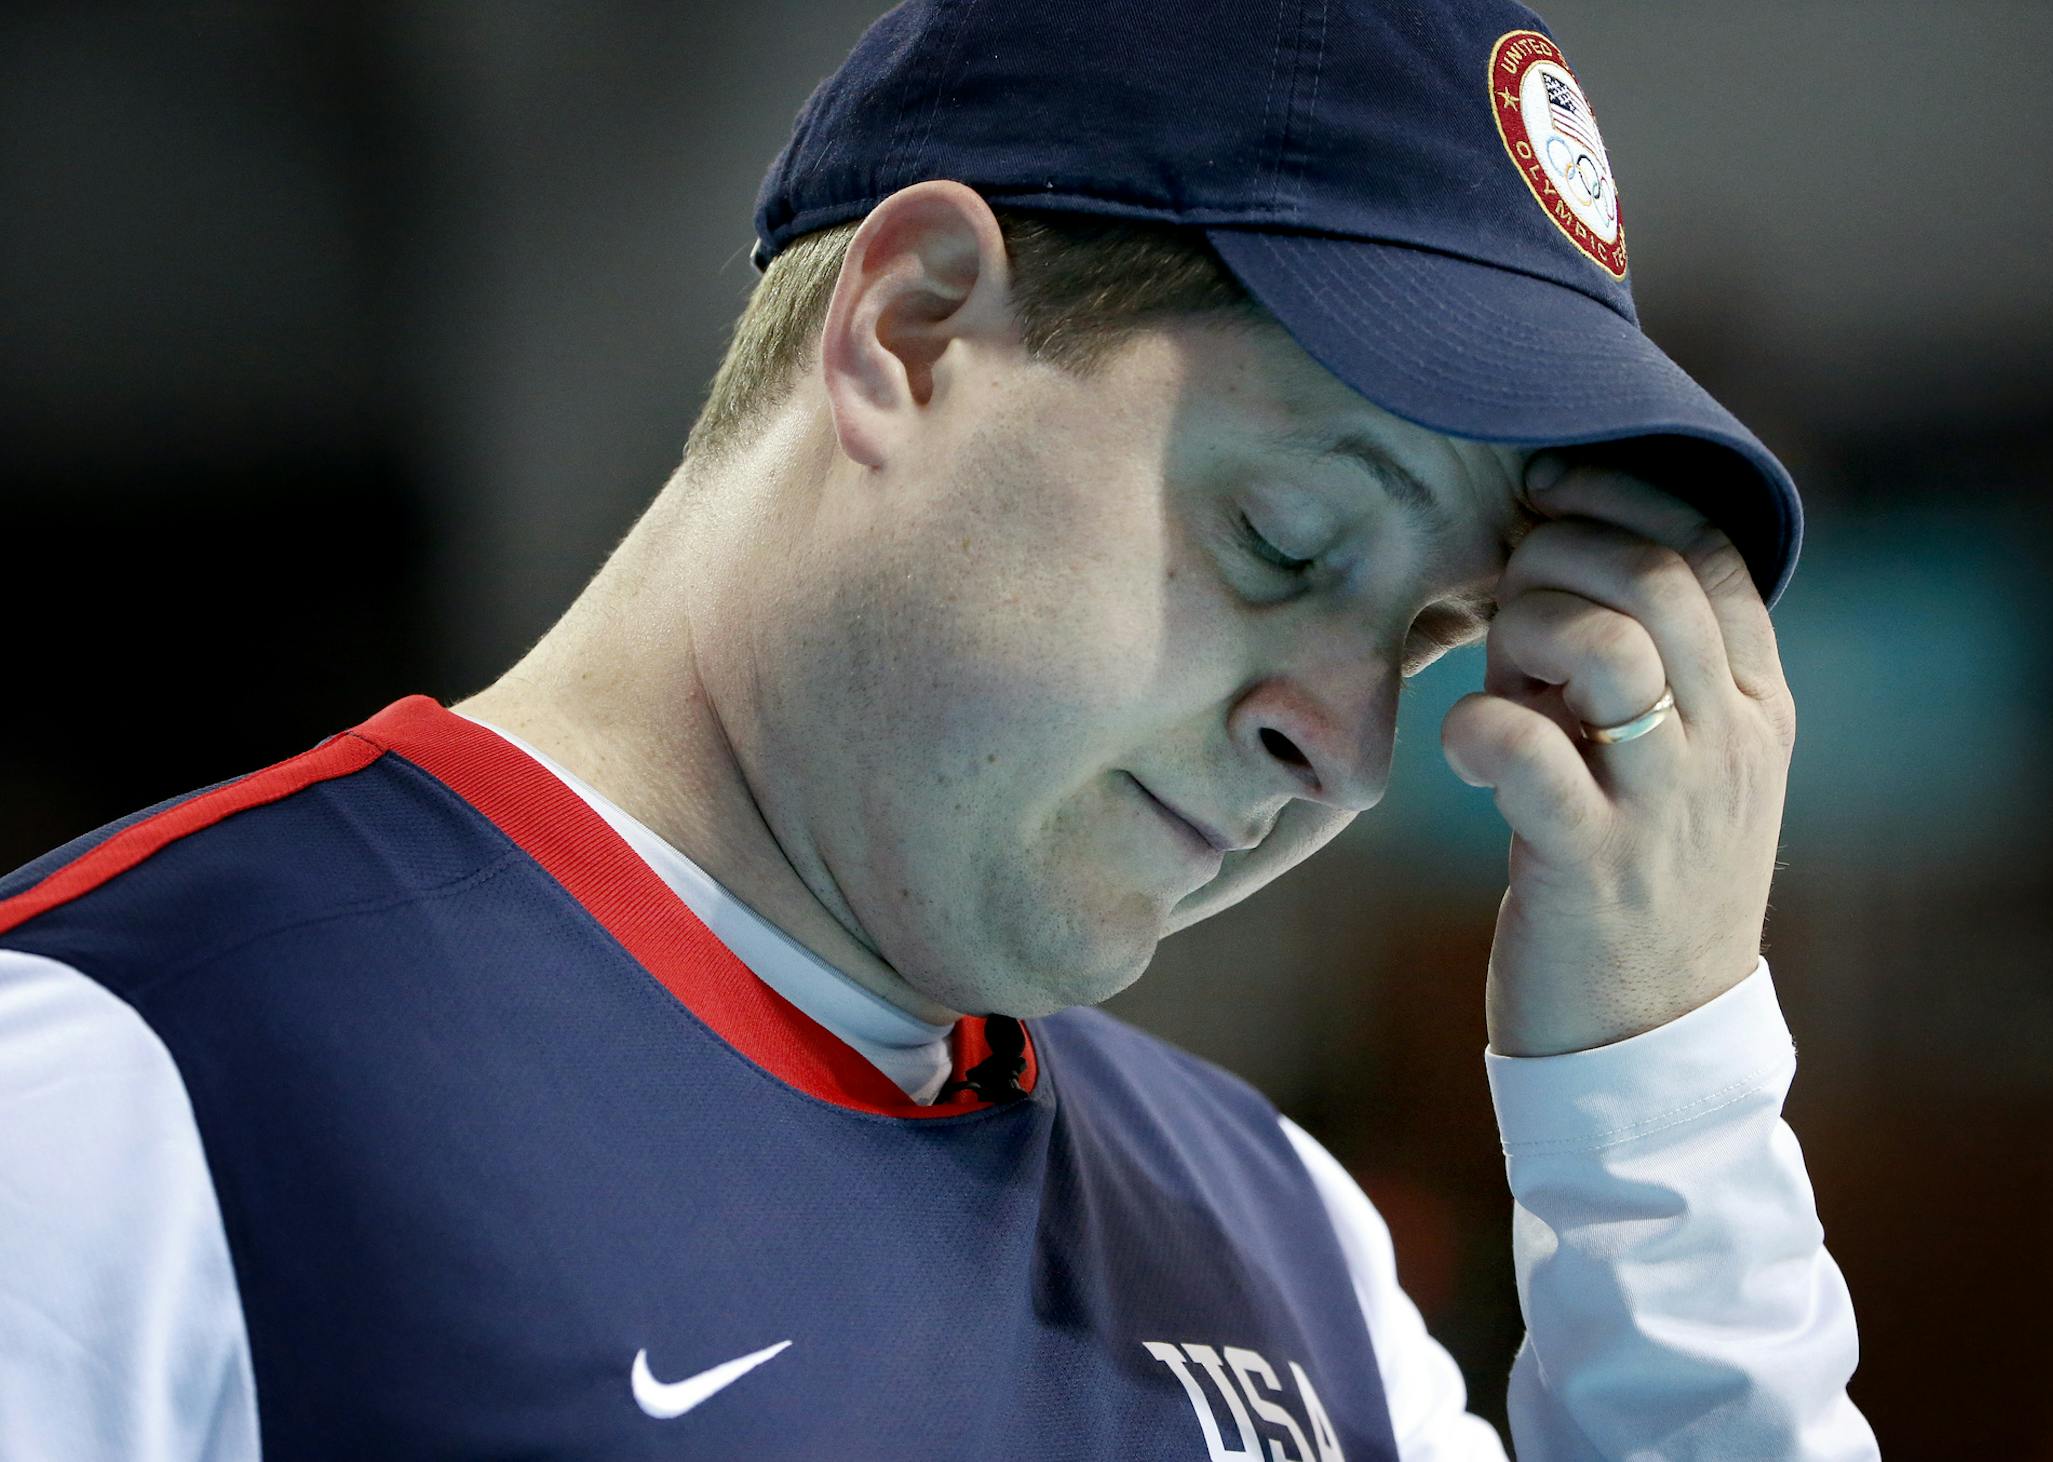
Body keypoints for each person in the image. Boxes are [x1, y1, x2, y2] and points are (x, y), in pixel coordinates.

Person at [0, 0, 1880, 1456]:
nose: (1353, 749)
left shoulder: (1288, 1252)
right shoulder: (136, 1096)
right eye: (1287, 538)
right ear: (911, 329)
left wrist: (1658, 1108)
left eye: (1428, 638)